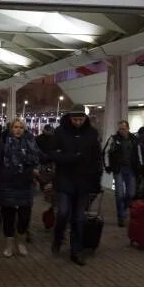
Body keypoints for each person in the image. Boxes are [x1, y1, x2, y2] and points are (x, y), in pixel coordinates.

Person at [50, 105, 102, 266]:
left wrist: (96, 181)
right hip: (65, 179)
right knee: (63, 212)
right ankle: (58, 237)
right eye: (75, 119)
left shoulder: (92, 133)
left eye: (80, 119)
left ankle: (76, 251)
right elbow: (53, 153)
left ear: (85, 118)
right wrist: (72, 158)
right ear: (70, 118)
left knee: (79, 218)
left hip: (83, 182)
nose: (78, 122)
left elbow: (96, 158)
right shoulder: (60, 132)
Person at [0, 118, 40, 257]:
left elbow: (38, 158)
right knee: (8, 216)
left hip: (25, 183)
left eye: (21, 127)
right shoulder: (3, 143)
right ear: (11, 129)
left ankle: (20, 241)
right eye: (15, 127)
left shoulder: (31, 142)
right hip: (7, 183)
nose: (18, 130)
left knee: (24, 216)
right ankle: (9, 245)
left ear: (24, 129)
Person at [103, 120, 142, 227]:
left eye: (123, 129)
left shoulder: (135, 140)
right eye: (120, 129)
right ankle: (121, 216)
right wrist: (107, 165)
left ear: (128, 128)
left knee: (131, 194)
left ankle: (123, 208)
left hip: (131, 170)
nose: (121, 131)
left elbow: (139, 155)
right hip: (118, 169)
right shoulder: (113, 139)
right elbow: (105, 152)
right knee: (119, 194)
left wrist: (140, 167)